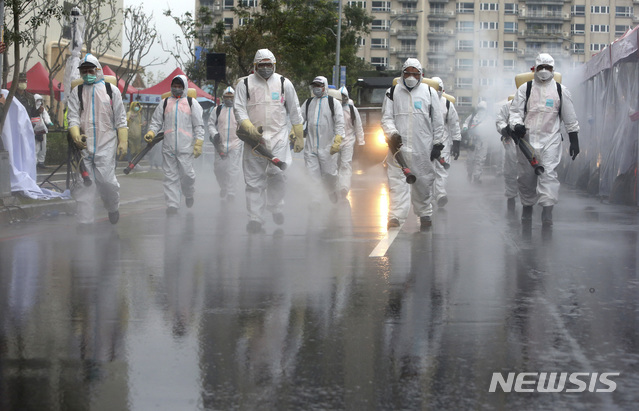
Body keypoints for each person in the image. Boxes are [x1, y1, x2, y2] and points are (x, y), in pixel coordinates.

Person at [234, 48, 304, 233]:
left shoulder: (283, 83)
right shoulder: (245, 84)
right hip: (253, 139)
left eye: (268, 64)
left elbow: (295, 109)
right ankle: (255, 219)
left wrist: (298, 133)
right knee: (253, 181)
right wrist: (248, 127)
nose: (265, 68)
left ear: (274, 65)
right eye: (261, 65)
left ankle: (276, 206)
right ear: (255, 66)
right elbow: (239, 109)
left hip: (279, 137)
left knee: (277, 175)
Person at [509, 53, 580, 225]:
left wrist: (574, 140)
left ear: (553, 70)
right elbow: (515, 113)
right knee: (526, 177)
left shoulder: (560, 91)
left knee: (548, 175)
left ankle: (547, 211)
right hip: (527, 140)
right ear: (534, 68)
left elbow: (569, 117)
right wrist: (517, 124)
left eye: (547, 68)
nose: (544, 71)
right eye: (540, 67)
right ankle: (527, 207)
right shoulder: (525, 89)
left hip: (551, 140)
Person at [381, 58, 445, 231]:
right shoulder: (392, 92)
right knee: (396, 183)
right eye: (407, 73)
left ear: (421, 75)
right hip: (398, 149)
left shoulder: (430, 93)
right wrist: (392, 134)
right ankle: (395, 216)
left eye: (414, 73)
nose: (410, 76)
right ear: (402, 73)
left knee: (423, 182)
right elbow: (387, 118)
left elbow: (438, 121)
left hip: (422, 148)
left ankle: (425, 213)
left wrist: (437, 144)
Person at [67, 54, 128, 227]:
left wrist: (123, 141)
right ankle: (85, 224)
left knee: (107, 182)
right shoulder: (77, 91)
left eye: (90, 70)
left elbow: (121, 119)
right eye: (84, 70)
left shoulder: (111, 90)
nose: (87, 73)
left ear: (98, 70)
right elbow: (73, 118)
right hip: (83, 146)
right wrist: (76, 135)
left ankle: (112, 206)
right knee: (85, 185)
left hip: (106, 144)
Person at [145, 74, 205, 214]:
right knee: (170, 176)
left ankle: (189, 193)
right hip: (169, 147)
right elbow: (156, 122)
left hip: (186, 147)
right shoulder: (165, 103)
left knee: (188, 176)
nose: (176, 88)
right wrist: (151, 133)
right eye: (174, 86)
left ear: (184, 87)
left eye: (179, 86)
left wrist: (198, 143)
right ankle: (172, 204)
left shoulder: (192, 103)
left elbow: (199, 126)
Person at [301, 76, 345, 204]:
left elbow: (340, 123)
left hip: (327, 147)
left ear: (325, 87)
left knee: (329, 175)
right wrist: (295, 132)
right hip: (311, 147)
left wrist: (338, 139)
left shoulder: (333, 103)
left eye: (319, 86)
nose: (316, 88)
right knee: (312, 176)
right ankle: (316, 202)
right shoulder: (308, 103)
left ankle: (331, 191)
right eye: (314, 86)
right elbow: (299, 119)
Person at [430, 77, 461, 208]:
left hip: (443, 143)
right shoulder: (423, 102)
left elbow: (454, 124)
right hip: (425, 142)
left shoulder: (447, 104)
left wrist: (456, 142)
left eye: (439, 89)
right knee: (428, 170)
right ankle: (430, 197)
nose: (437, 92)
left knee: (442, 169)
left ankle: (441, 194)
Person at [209, 86, 242, 201]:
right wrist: (214, 134)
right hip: (220, 144)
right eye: (226, 97)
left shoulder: (239, 110)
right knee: (218, 169)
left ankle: (231, 192)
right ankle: (223, 186)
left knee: (233, 169)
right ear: (223, 97)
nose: (228, 99)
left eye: (231, 97)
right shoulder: (217, 110)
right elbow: (211, 124)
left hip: (235, 143)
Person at [336, 86, 364, 199]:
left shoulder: (352, 110)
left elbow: (358, 126)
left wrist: (361, 142)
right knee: (333, 166)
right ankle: (335, 186)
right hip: (335, 141)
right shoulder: (333, 107)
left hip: (348, 141)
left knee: (345, 164)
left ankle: (344, 187)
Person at [495, 96, 518, 212]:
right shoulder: (508, 106)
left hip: (531, 142)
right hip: (511, 142)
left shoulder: (536, 103)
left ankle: (528, 203)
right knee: (511, 170)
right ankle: (511, 197)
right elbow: (500, 121)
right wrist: (504, 129)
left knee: (529, 174)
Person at [462, 101, 490, 184]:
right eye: (480, 108)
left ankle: (477, 177)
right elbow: (466, 123)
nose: (481, 111)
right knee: (470, 159)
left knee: (480, 159)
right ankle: (469, 174)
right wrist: (465, 128)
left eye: (483, 109)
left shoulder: (488, 118)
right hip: (472, 141)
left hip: (483, 141)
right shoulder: (473, 117)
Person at [33, 94, 53, 169]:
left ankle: (41, 161)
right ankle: (34, 162)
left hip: (43, 130)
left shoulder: (42, 109)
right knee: (35, 147)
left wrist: (48, 122)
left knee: (43, 147)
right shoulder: (32, 109)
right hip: (34, 130)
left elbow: (46, 116)